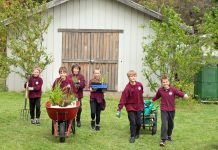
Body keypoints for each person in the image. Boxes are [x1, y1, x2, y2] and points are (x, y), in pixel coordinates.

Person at [151, 74, 188, 147]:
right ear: (162, 83)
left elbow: (179, 93)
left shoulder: (173, 89)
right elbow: (157, 96)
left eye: (166, 82)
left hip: (172, 110)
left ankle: (169, 135)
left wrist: (184, 95)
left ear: (168, 82)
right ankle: (163, 140)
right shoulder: (160, 90)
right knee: (164, 124)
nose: (165, 83)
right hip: (163, 109)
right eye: (163, 82)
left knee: (171, 125)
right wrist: (152, 100)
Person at [116, 70, 144, 143]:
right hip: (130, 107)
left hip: (138, 106)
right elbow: (123, 98)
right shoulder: (127, 88)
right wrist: (119, 108)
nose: (133, 77)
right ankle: (132, 136)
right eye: (131, 76)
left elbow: (141, 96)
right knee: (133, 122)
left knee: (139, 123)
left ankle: (137, 132)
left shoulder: (140, 85)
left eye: (134, 76)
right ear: (128, 77)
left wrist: (142, 105)